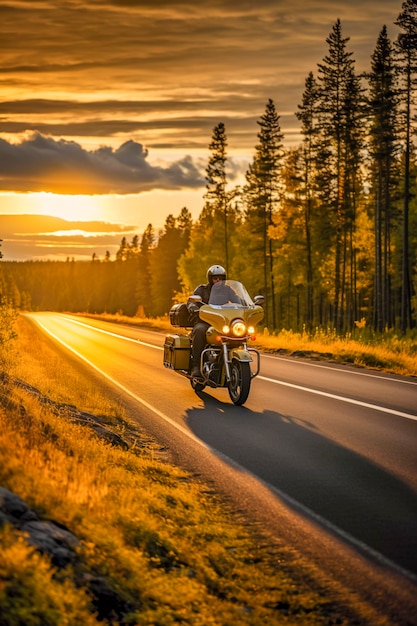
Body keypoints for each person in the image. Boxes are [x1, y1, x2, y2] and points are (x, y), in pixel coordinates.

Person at [187, 264, 240, 378]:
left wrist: (248, 305)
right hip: (205, 321)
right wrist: (193, 307)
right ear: (210, 279)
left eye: (220, 278)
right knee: (200, 330)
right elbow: (192, 301)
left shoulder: (227, 290)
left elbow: (238, 300)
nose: (218, 280)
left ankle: (237, 363)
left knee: (238, 333)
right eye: (215, 278)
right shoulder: (202, 289)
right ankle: (196, 366)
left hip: (222, 323)